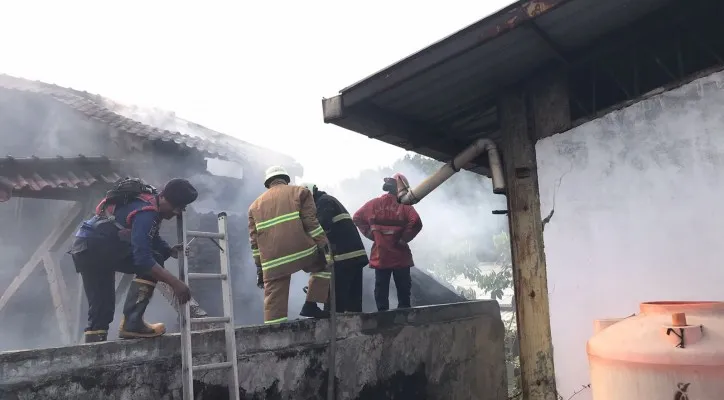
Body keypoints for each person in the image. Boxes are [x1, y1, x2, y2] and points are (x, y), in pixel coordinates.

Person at [69, 177, 197, 343]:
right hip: (96, 248)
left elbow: (150, 236)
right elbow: (143, 259)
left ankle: (93, 354)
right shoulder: (147, 212)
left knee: (102, 309)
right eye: (176, 207)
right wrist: (175, 283)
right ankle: (133, 322)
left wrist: (168, 250)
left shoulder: (148, 204)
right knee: (152, 260)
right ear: (164, 197)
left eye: (182, 208)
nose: (177, 212)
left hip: (85, 248)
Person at [249, 166, 333, 324]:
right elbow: (311, 222)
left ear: (268, 183)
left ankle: (274, 332)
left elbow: (254, 241)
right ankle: (311, 304)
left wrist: (260, 267)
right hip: (302, 252)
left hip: (273, 260)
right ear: (286, 179)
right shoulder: (301, 192)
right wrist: (324, 246)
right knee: (323, 267)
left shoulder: (254, 206)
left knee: (274, 297)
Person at [353, 174, 423, 311]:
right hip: (400, 256)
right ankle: (404, 316)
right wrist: (404, 239)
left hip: (381, 255)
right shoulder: (404, 206)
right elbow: (416, 222)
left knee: (381, 289)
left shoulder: (373, 204)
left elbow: (357, 217)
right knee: (403, 291)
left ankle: (382, 316)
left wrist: (371, 234)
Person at [300, 183, 369, 313]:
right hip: (353, 257)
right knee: (353, 303)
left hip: (343, 258)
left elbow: (320, 229)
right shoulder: (328, 200)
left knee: (334, 304)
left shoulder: (323, 203)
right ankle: (352, 329)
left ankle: (334, 331)